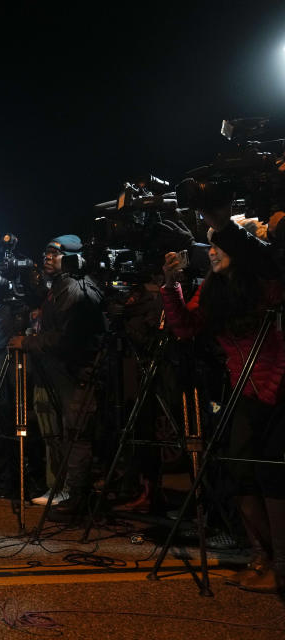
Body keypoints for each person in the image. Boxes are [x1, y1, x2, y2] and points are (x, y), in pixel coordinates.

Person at [161, 208, 285, 594]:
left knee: (270, 476)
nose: (211, 253)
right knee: (239, 473)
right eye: (210, 247)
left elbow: (279, 347)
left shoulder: (265, 285)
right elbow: (185, 327)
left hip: (275, 390)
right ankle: (260, 556)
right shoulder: (212, 289)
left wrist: (268, 388)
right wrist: (172, 285)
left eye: (219, 246)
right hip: (243, 389)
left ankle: (279, 566)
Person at [8, 235, 105, 520]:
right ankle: (73, 494)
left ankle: (78, 500)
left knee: (76, 436)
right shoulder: (61, 287)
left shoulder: (73, 289)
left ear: (73, 257)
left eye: (55, 253)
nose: (47, 257)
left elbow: (66, 340)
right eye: (46, 252)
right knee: (70, 435)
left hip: (78, 373)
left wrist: (27, 343)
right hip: (66, 373)